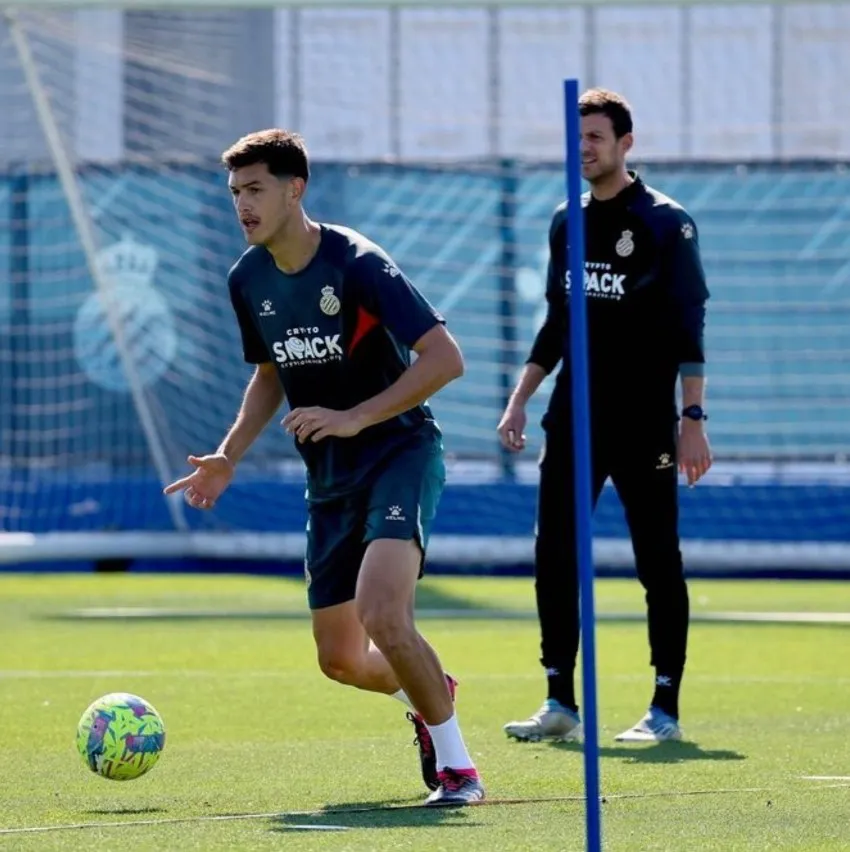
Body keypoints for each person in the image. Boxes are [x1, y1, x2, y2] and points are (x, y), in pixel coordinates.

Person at [163, 129, 484, 806]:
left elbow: (445, 358)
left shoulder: (357, 262)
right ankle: (431, 691)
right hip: (330, 477)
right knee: (339, 660)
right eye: (234, 194)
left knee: (383, 613)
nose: (242, 206)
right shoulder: (246, 278)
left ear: (294, 189)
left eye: (255, 190)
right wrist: (227, 456)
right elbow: (270, 372)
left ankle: (460, 773)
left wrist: (356, 415)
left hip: (399, 452)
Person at [498, 88, 712, 744]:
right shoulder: (567, 220)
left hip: (645, 421)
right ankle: (560, 699)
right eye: (576, 137)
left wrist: (692, 418)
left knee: (657, 562)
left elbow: (688, 325)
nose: (583, 148)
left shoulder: (664, 222)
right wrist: (521, 396)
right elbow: (558, 321)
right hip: (573, 419)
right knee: (554, 554)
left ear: (625, 143)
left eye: (595, 137)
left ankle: (664, 708)